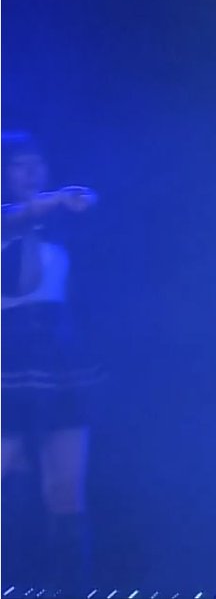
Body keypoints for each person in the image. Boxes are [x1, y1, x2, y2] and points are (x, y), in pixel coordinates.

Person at [1, 131, 101, 593]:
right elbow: (19, 273)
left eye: (37, 163)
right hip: (8, 354)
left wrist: (73, 202)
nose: (32, 172)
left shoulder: (55, 227)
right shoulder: (11, 217)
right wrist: (55, 201)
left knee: (65, 489)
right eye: (20, 164)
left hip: (58, 355)